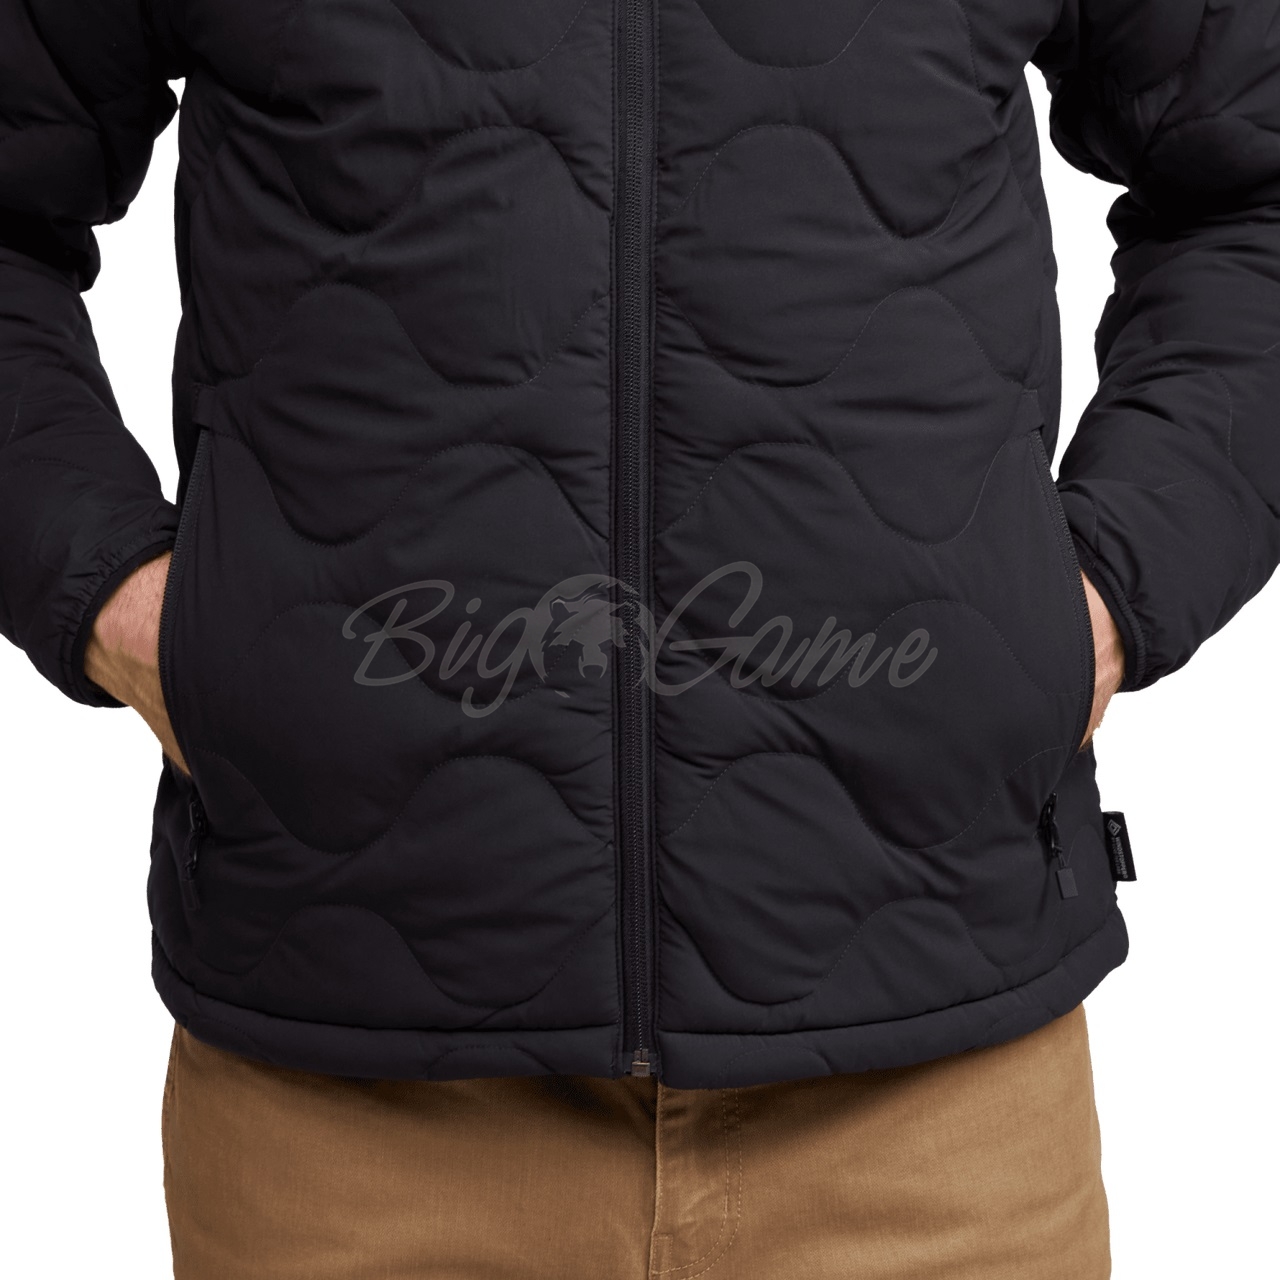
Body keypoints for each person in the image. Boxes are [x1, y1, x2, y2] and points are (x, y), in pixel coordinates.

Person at [1, 1, 1276, 1276]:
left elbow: (1251, 186)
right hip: (346, 1108)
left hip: (933, 1102)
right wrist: (108, 591)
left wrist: (1112, 582)